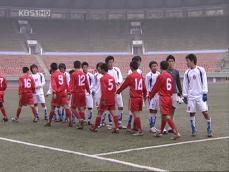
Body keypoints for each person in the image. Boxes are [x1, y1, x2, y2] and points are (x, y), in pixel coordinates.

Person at [183, 54, 213, 137]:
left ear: (192, 61)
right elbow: (185, 84)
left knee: (205, 112)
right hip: (191, 96)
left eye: (187, 61)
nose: (186, 63)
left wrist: (205, 92)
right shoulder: (187, 72)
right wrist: (185, 95)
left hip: (200, 95)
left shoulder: (201, 70)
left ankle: (209, 128)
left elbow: (205, 81)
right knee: (191, 113)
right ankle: (193, 129)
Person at [149, 61, 180, 140]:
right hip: (170, 97)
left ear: (160, 67)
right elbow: (173, 87)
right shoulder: (170, 76)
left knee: (166, 116)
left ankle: (176, 132)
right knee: (164, 115)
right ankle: (161, 132)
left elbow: (156, 87)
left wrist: (150, 96)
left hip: (164, 98)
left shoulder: (161, 76)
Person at [117, 61, 147, 136]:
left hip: (134, 98)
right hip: (140, 97)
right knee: (136, 114)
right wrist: (144, 97)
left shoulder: (130, 76)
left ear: (131, 67)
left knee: (136, 114)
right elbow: (144, 88)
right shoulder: (140, 76)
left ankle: (140, 131)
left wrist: (118, 91)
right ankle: (135, 128)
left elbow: (124, 85)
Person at [90, 63, 119, 133]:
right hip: (112, 98)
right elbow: (114, 88)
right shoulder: (111, 77)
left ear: (103, 69)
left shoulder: (102, 78)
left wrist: (104, 100)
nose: (99, 70)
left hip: (105, 98)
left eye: (100, 69)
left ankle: (95, 128)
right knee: (114, 112)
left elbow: (104, 90)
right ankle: (117, 128)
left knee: (100, 113)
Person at [44, 63, 72, 127]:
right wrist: (69, 93)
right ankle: (70, 121)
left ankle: (49, 122)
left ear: (51, 68)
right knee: (66, 107)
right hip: (63, 93)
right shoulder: (63, 74)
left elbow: (54, 85)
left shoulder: (53, 75)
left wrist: (54, 93)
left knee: (53, 108)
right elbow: (66, 84)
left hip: (57, 94)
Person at [105, 56, 125, 129]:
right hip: (110, 93)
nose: (111, 64)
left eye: (112, 62)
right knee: (110, 108)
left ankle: (119, 122)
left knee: (121, 106)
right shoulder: (106, 71)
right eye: (109, 62)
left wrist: (118, 82)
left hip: (117, 91)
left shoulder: (116, 69)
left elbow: (120, 77)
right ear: (106, 63)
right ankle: (110, 123)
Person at [70, 61, 90, 129]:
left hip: (76, 93)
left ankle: (80, 119)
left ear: (74, 66)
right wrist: (88, 90)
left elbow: (72, 85)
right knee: (81, 108)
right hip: (83, 93)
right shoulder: (83, 74)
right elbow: (86, 83)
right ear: (80, 66)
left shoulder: (74, 74)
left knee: (72, 108)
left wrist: (69, 92)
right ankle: (82, 124)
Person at [165, 55, 183, 133]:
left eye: (172, 61)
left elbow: (178, 83)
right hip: (166, 94)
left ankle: (170, 126)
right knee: (166, 111)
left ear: (174, 62)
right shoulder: (164, 71)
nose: (171, 62)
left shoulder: (176, 72)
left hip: (174, 93)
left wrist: (181, 93)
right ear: (167, 62)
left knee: (172, 110)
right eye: (169, 61)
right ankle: (164, 126)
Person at [145, 61, 160, 133]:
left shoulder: (159, 74)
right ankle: (151, 126)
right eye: (153, 66)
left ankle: (154, 126)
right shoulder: (148, 75)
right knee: (151, 110)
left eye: (156, 66)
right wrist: (147, 95)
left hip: (158, 95)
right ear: (150, 68)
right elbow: (146, 85)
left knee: (155, 110)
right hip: (151, 95)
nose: (155, 67)